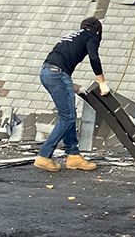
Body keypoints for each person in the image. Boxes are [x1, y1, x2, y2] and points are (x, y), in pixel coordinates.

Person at [33, 18, 107, 172]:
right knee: (68, 117)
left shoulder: (72, 36)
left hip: (47, 72)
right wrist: (101, 82)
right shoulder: (90, 36)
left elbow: (59, 62)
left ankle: (73, 156)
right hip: (57, 74)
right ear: (97, 30)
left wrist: (74, 87)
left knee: (68, 114)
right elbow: (94, 57)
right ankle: (44, 156)